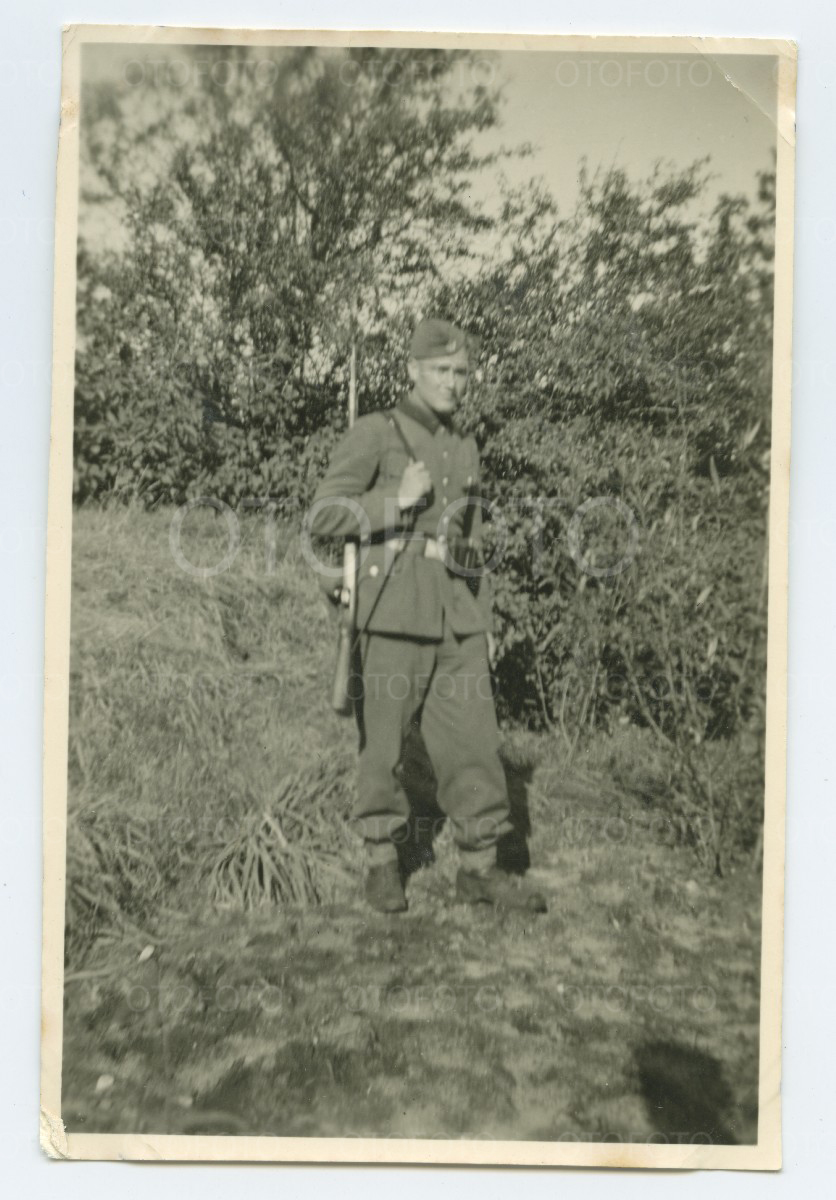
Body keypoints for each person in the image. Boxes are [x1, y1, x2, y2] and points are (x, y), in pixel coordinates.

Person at [310, 318, 546, 915]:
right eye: (440, 370)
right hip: (392, 609)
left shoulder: (465, 445)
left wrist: (483, 620)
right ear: (413, 370)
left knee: (474, 743)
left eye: (461, 372)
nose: (452, 382)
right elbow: (326, 514)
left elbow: (472, 539)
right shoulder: (377, 432)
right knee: (383, 746)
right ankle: (382, 862)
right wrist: (395, 501)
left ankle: (479, 869)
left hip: (456, 615)